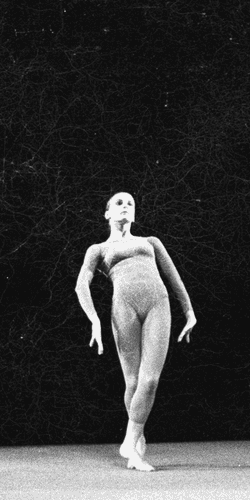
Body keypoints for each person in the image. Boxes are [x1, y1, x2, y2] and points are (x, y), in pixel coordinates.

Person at [74, 191, 197, 471]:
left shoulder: (150, 242)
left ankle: (130, 440)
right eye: (119, 203)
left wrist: (189, 311)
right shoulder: (98, 249)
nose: (125, 206)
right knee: (132, 382)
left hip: (158, 304)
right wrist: (94, 319)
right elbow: (82, 285)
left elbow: (173, 277)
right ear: (107, 213)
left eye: (130, 203)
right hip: (124, 308)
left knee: (150, 381)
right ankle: (136, 452)